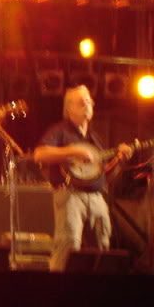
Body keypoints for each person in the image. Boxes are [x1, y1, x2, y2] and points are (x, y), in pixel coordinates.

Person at [33, 85, 132, 271]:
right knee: (69, 244)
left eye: (89, 101)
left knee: (102, 245)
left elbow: (104, 176)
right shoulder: (60, 131)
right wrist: (73, 150)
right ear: (69, 108)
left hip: (96, 197)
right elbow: (39, 154)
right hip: (70, 195)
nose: (87, 104)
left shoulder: (95, 139)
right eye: (81, 102)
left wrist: (119, 161)